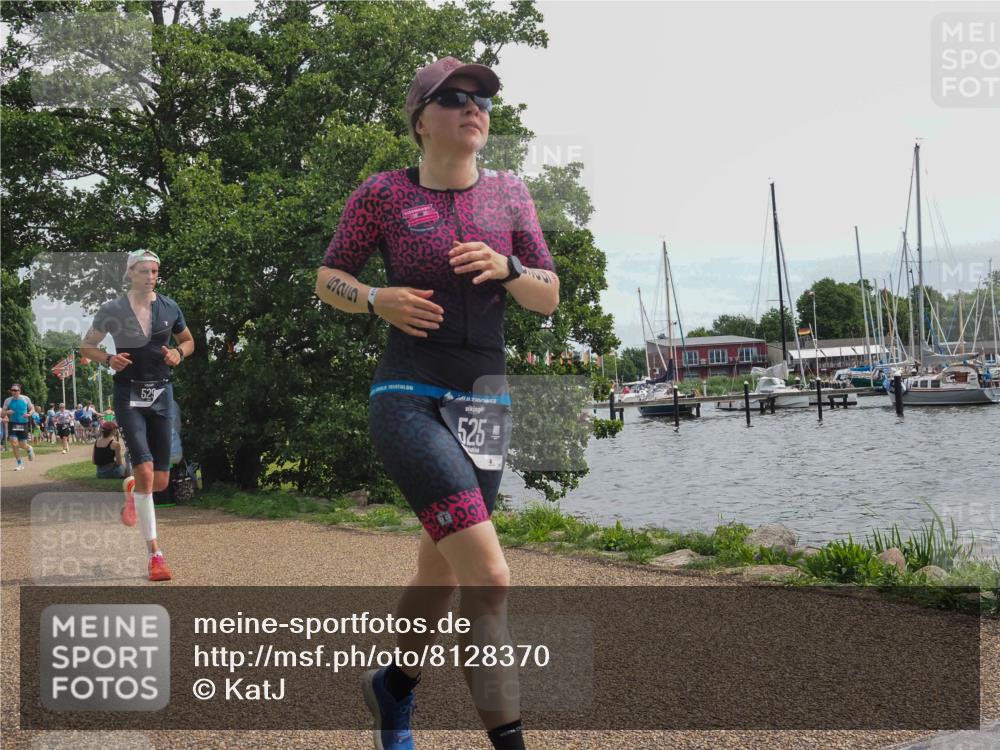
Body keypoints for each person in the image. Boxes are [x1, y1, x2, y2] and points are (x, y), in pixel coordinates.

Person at [316, 57, 559, 750]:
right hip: (409, 395)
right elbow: (328, 276)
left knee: (439, 571)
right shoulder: (384, 193)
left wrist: (510, 268)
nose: (472, 107)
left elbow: (548, 294)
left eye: (481, 98)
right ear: (421, 120)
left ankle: (393, 686)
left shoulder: (510, 194)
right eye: (454, 97)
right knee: (489, 577)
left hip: (485, 405)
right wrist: (374, 298)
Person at [80, 248, 195, 582]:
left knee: (159, 482)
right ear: (130, 273)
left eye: (154, 271)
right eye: (144, 271)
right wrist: (108, 359)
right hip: (128, 394)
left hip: (161, 394)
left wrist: (179, 353)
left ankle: (131, 488)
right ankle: (155, 555)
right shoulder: (112, 310)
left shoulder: (170, 307)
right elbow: (87, 346)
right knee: (145, 471)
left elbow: (188, 341)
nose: (150, 277)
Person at [2, 384, 36, 470]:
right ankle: (19, 463)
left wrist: (29, 414)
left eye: (15, 390)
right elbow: (2, 414)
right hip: (13, 423)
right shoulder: (7, 400)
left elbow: (32, 409)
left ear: (19, 391)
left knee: (22, 444)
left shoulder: (25, 399)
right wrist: (7, 412)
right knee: (14, 443)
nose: (13, 392)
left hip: (23, 423)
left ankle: (29, 448)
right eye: (12, 390)